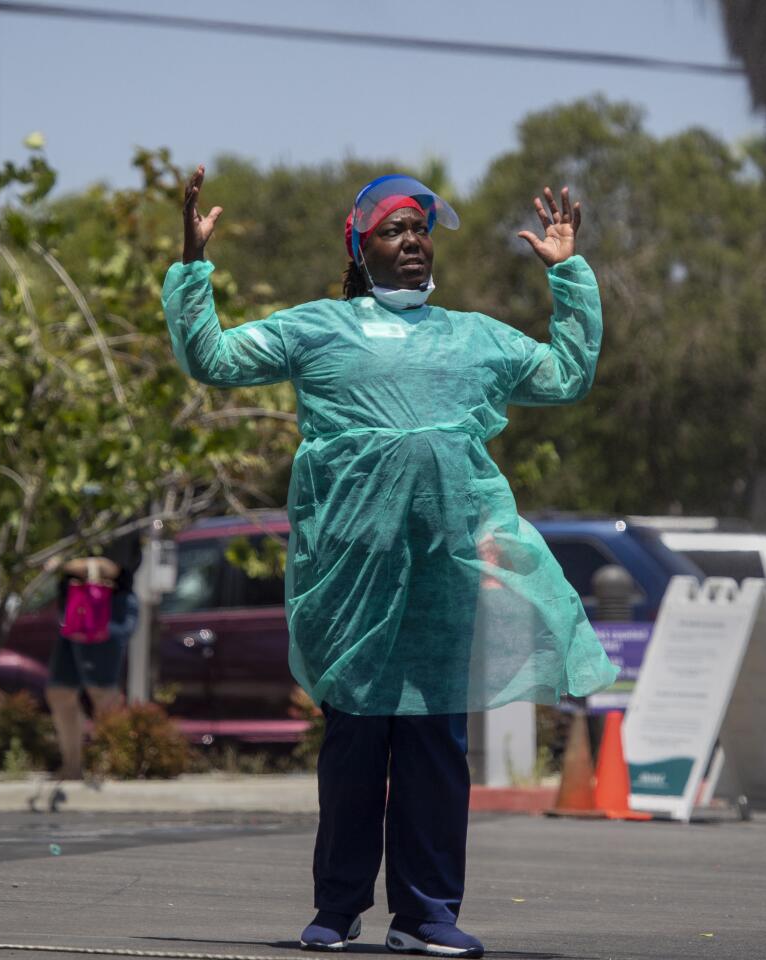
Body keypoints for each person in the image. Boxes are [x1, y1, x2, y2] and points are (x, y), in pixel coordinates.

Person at [162, 167, 618, 957]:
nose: (412, 243)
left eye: (420, 230)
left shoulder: (474, 337)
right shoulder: (316, 329)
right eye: (393, 231)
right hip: (351, 576)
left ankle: (427, 915)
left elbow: (568, 375)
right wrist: (193, 264)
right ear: (359, 247)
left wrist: (567, 273)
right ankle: (337, 909)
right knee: (355, 746)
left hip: (442, 583)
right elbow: (211, 357)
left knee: (436, 747)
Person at [45, 530, 142, 780]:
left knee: (102, 693)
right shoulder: (73, 512)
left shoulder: (118, 514)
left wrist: (65, 565)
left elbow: (112, 568)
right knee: (60, 691)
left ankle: (121, 761)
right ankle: (72, 766)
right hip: (76, 612)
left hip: (106, 609)